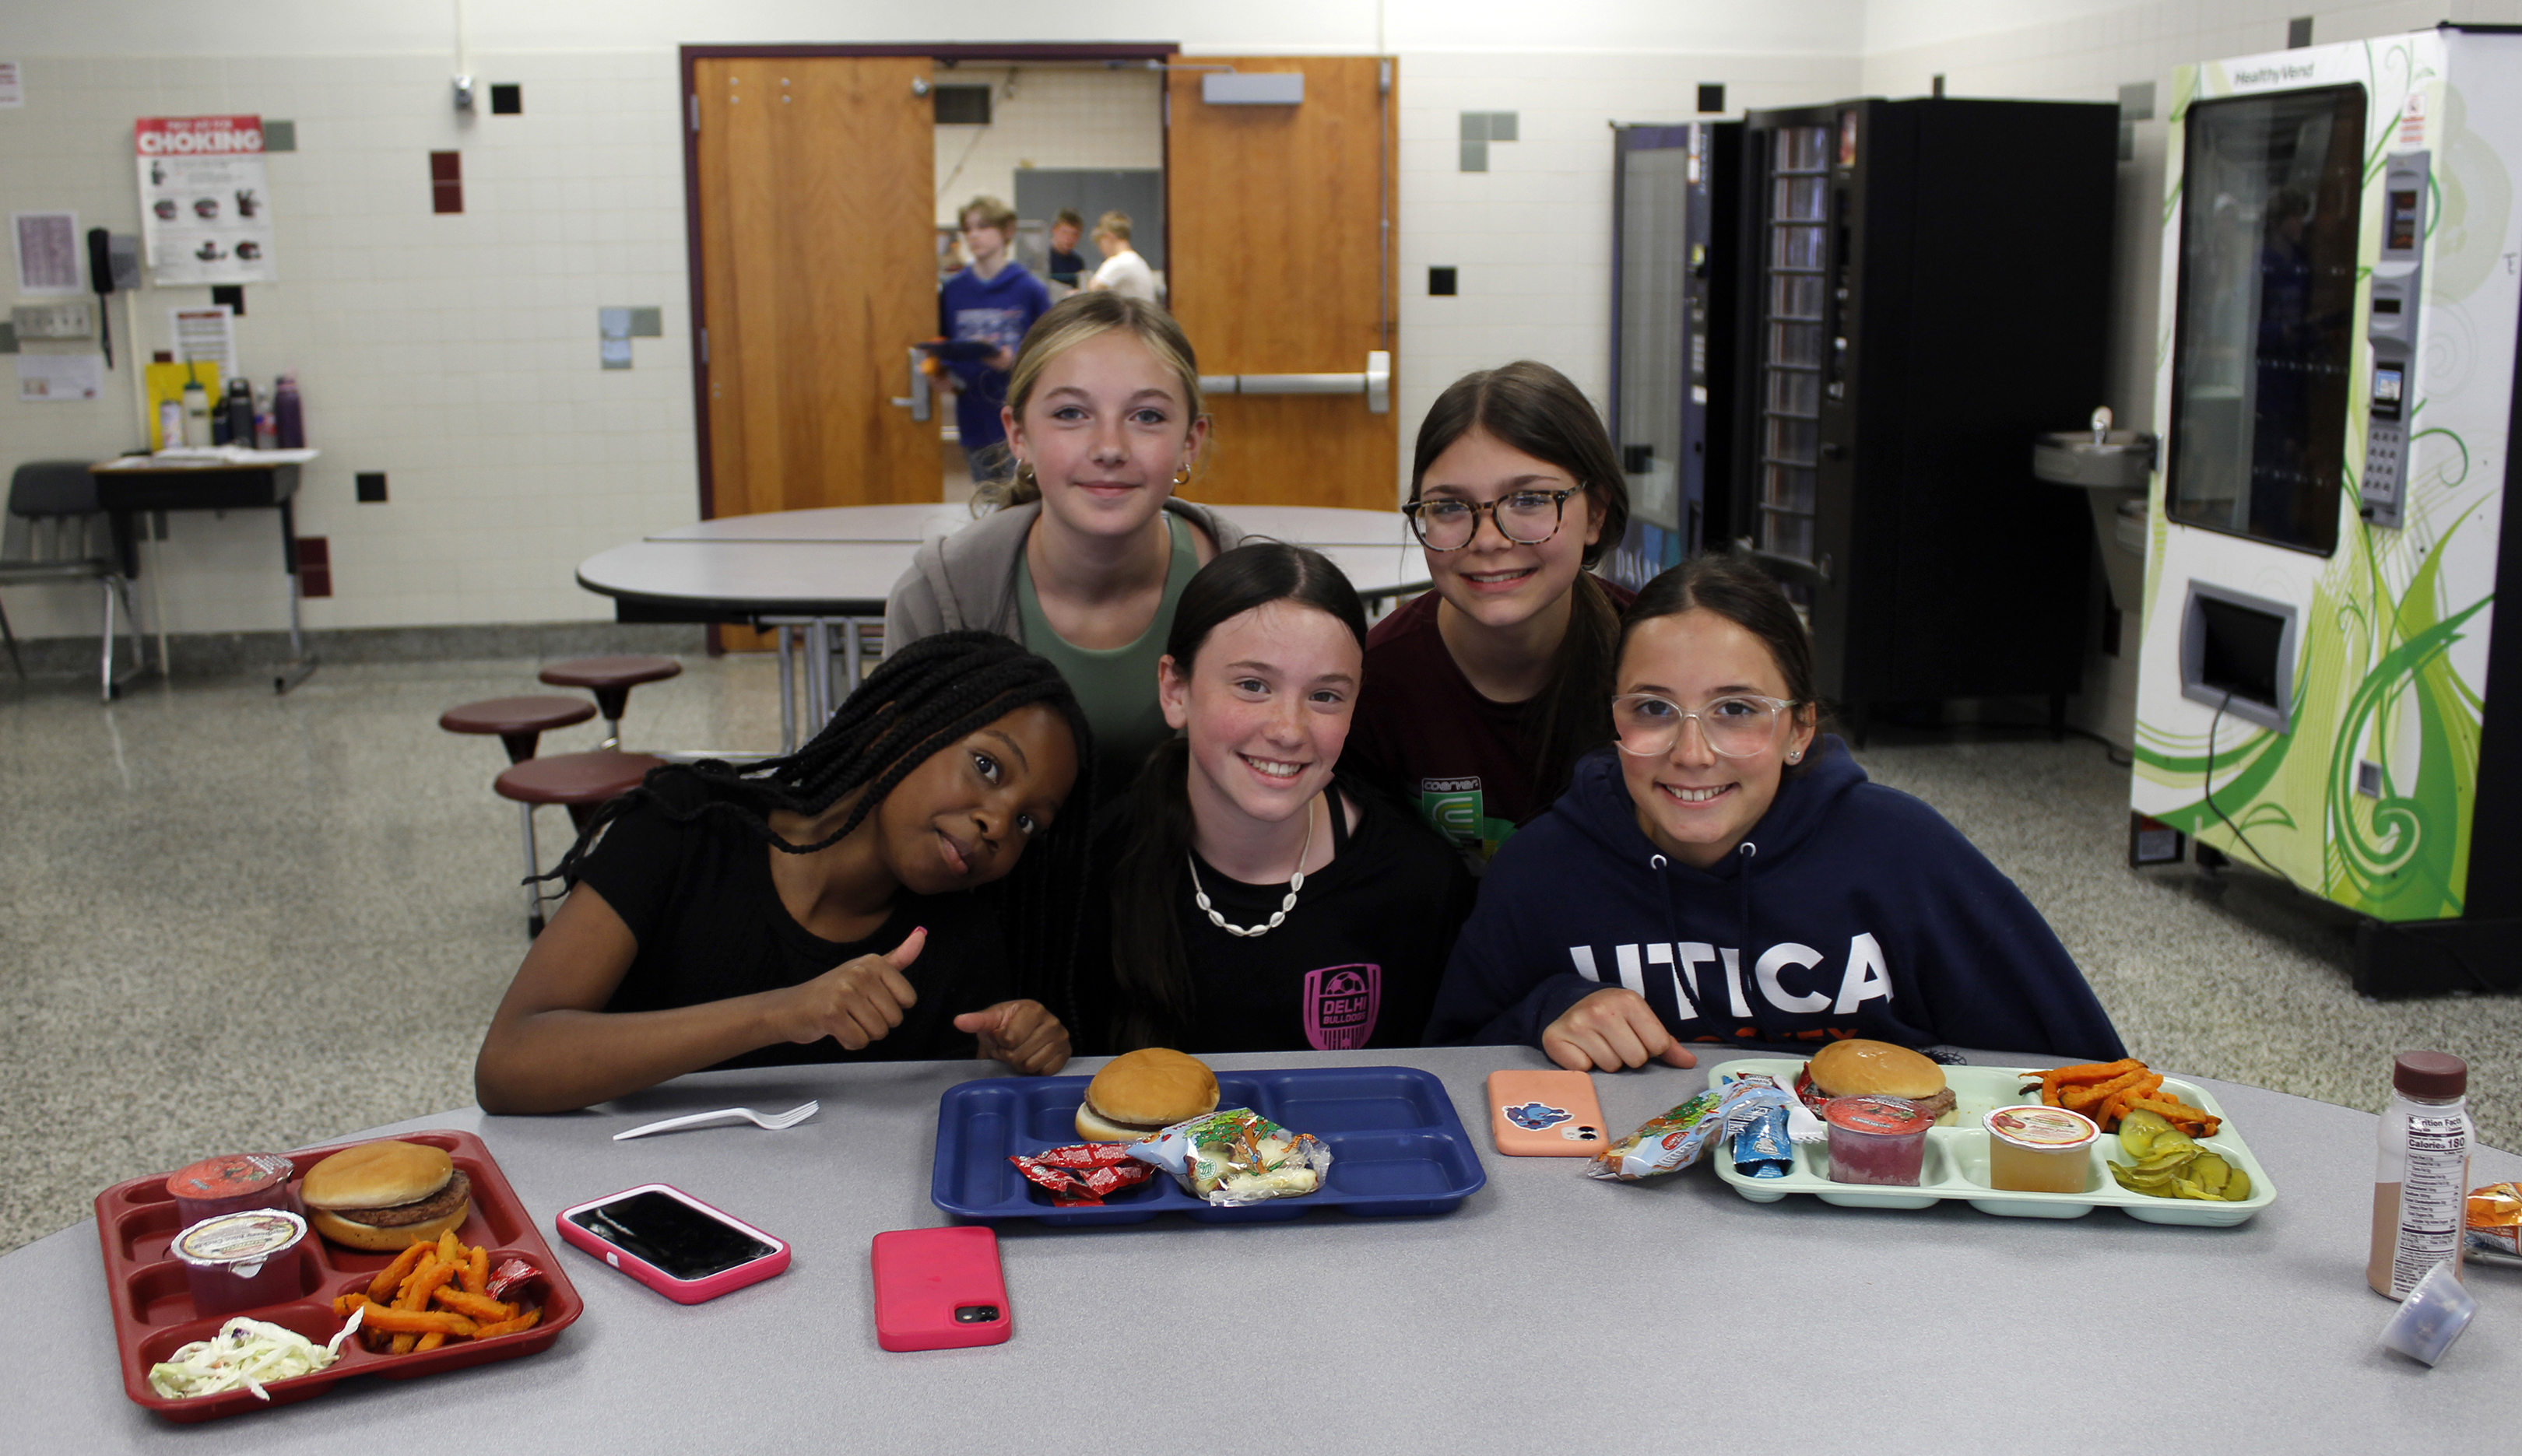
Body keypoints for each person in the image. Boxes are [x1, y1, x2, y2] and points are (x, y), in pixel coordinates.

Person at [1423, 555, 2128, 1071]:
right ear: (1614, 721)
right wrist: (1546, 1010)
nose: (1692, 753)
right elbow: (1448, 1063)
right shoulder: (1542, 871)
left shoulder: (1906, 857)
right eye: (1653, 709)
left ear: (1799, 731)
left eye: (1737, 710)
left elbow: (2087, 1074)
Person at [473, 633, 1094, 1114]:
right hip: (627, 1196)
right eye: (987, 765)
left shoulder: (959, 936)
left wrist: (1000, 1056)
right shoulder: (685, 828)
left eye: (1029, 823)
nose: (997, 824)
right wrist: (784, 1013)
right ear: (897, 718)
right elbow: (508, 1064)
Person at [1079, 544, 1474, 1055]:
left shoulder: (1420, 883)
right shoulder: (1093, 869)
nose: (1289, 730)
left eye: (1325, 695)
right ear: (1176, 690)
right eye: (1252, 685)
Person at [886, 290, 1245, 805]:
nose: (1109, 448)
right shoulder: (939, 599)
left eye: (1146, 416)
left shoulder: (1254, 593)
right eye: (1071, 412)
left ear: (1191, 439)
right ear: (1018, 435)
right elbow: (900, 802)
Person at [1344, 361, 1633, 864]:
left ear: (1597, 512)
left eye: (1529, 499)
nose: (1491, 541)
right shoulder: (1375, 685)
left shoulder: (1654, 661)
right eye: (1450, 507)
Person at [939, 195, 1053, 479]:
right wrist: (939, 373)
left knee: (1027, 502)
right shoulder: (954, 291)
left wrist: (1014, 363)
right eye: (968, 229)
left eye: (983, 226)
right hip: (973, 416)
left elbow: (1052, 352)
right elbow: (943, 345)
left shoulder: (1029, 289)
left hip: (1021, 416)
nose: (974, 235)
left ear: (1007, 232)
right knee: (988, 503)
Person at [1086, 210, 1159, 304]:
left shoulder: (1118, 262)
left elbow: (1091, 291)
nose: (1101, 251)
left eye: (1100, 243)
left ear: (1109, 237)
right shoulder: (1139, 262)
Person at [1046, 208, 1089, 286]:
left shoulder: (1078, 262)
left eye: (1075, 234)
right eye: (1065, 232)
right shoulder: (1042, 260)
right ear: (1054, 230)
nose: (1069, 238)